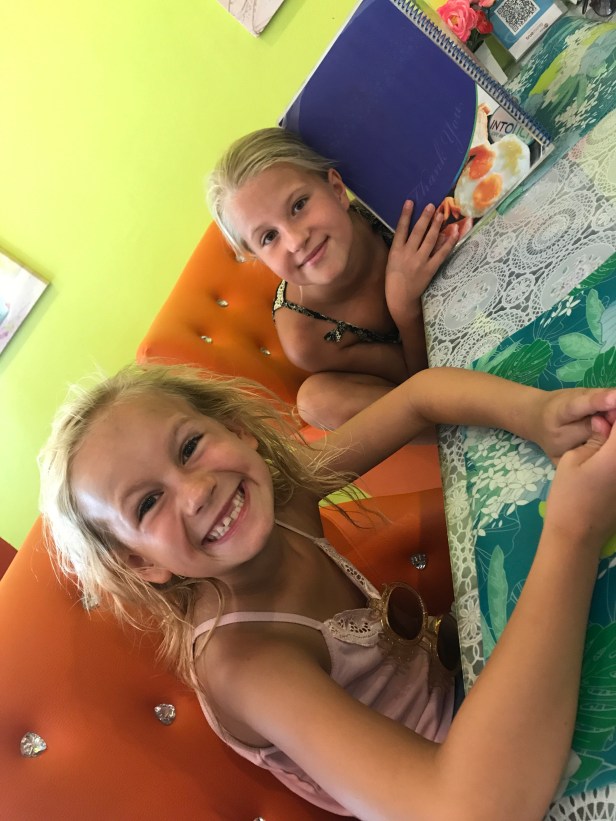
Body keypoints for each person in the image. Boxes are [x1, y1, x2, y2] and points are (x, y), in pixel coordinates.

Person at [39, 362, 616, 820]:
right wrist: (576, 529)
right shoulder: (245, 663)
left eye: (189, 446)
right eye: (147, 503)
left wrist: (536, 412)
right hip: (469, 784)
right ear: (140, 562)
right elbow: (464, 808)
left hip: (475, 688)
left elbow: (418, 397)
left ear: (237, 432)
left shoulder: (286, 497)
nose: (195, 491)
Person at [207, 127, 459, 429]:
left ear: (337, 189)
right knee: (316, 401)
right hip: (437, 381)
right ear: (258, 257)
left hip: (470, 295)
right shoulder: (306, 335)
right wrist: (404, 308)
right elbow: (415, 385)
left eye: (299, 205)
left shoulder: (383, 206)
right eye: (269, 237)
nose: (296, 240)